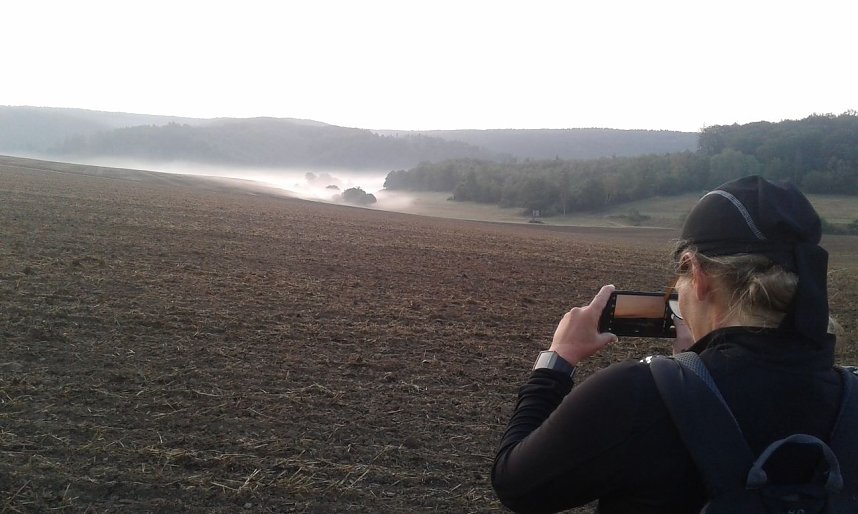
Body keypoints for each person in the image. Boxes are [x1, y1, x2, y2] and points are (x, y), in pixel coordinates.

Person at [491, 175, 855, 513]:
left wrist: (557, 360)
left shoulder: (637, 395)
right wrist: (696, 366)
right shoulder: (849, 398)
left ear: (696, 275)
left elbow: (516, 485)